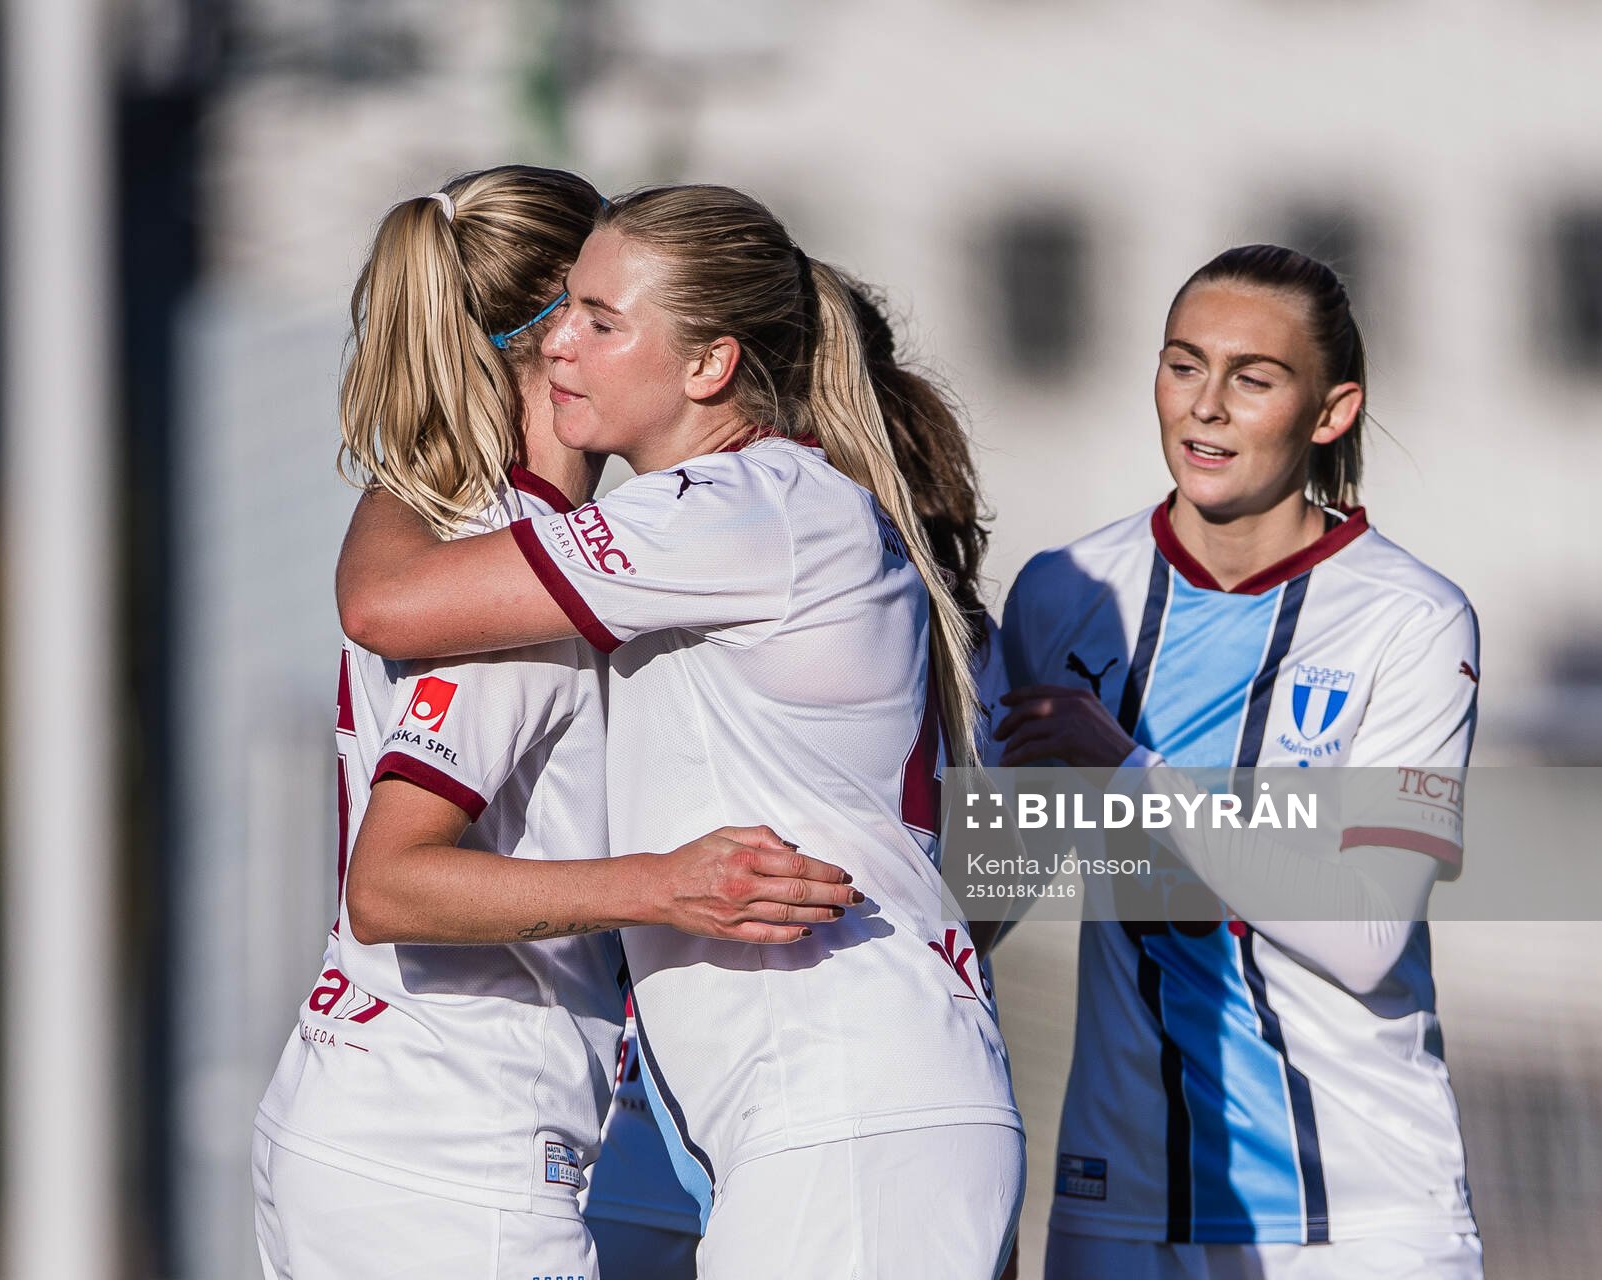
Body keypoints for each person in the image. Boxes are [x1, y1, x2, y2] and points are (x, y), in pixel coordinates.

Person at [337, 184, 1025, 1280]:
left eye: (599, 320)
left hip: (849, 1104)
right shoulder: (742, 510)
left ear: (709, 365)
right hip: (800, 1111)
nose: (555, 341)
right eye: (561, 310)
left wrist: (415, 437)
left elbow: (385, 602)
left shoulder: (733, 508)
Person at [252, 167, 856, 1280]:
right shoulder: (523, 573)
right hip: (451, 1141)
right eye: (607, 306)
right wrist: (663, 884)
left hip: (382, 1119)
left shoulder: (463, 541)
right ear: (555, 328)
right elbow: (390, 884)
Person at [998, 244, 1483, 1279]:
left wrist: (1129, 773)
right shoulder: (1064, 592)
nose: (1206, 405)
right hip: (1120, 1205)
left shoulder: (1411, 619)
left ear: (1330, 411)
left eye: (1253, 378)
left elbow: (1366, 931)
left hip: (1359, 1212)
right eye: (1184, 366)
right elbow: (990, 887)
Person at [578, 280, 1009, 1279]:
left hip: (851, 1099)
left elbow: (1364, 895)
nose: (1203, 405)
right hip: (690, 1109)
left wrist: (1133, 789)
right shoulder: (708, 545)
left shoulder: (767, 519)